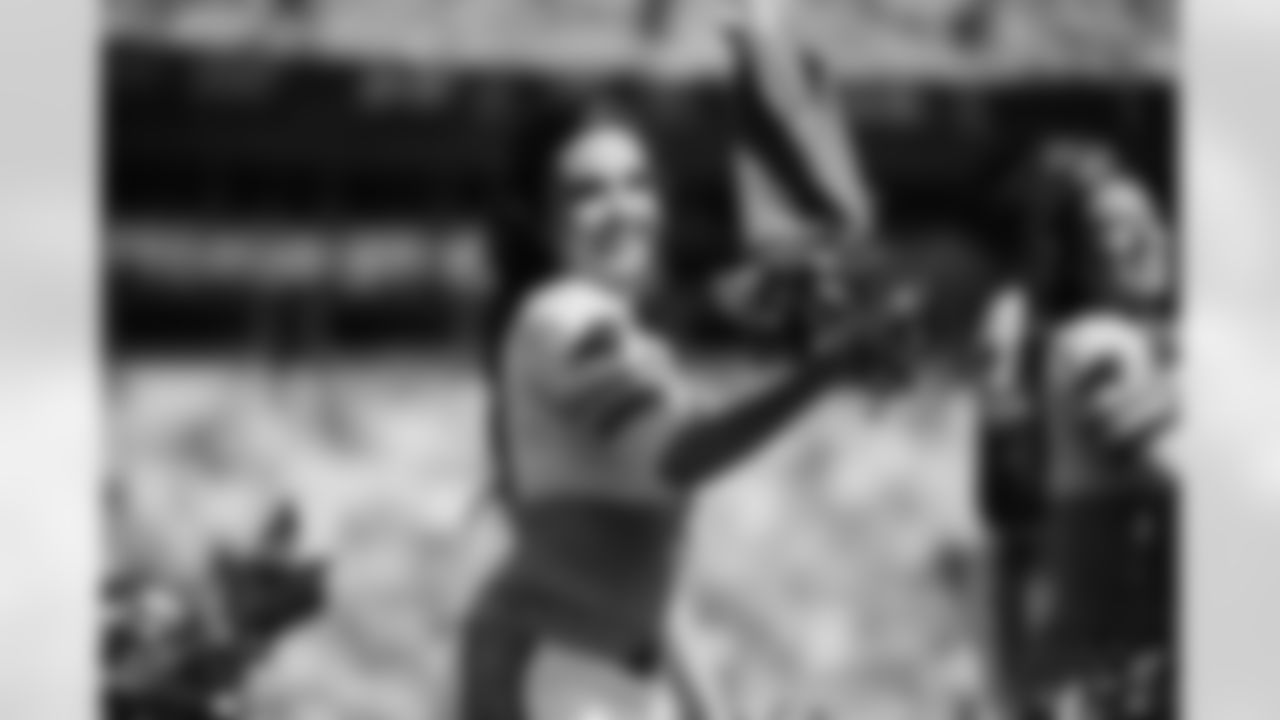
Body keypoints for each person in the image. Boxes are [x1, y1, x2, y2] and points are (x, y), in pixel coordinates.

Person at [456, 2, 907, 719]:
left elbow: (652, 592)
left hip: (603, 677)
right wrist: (822, 371)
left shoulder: (621, 339)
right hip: (554, 674)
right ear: (540, 222)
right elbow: (683, 455)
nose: (622, 209)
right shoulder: (562, 317)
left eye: (636, 183)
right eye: (586, 192)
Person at [979, 141, 1178, 720]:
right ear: (1076, 258)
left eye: (1150, 217)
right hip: (1110, 682)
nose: (1146, 238)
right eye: (1115, 228)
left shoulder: (1144, 343)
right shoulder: (1098, 344)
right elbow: (1184, 469)